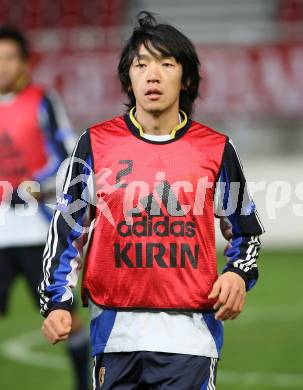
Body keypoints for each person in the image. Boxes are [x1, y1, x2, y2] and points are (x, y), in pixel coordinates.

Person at [39, 12, 265, 389]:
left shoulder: (216, 149)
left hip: (191, 337)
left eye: (166, 63)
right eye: (140, 64)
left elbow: (246, 234)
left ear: (186, 77)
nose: (152, 74)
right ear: (128, 77)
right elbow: (66, 233)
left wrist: (238, 274)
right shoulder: (95, 145)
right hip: (115, 334)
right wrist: (57, 303)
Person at [0, 26, 90, 390]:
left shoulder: (42, 101)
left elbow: (69, 155)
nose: (2, 67)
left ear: (24, 63)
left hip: (39, 231)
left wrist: (40, 185)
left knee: (64, 316)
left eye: (9, 59)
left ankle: (85, 382)